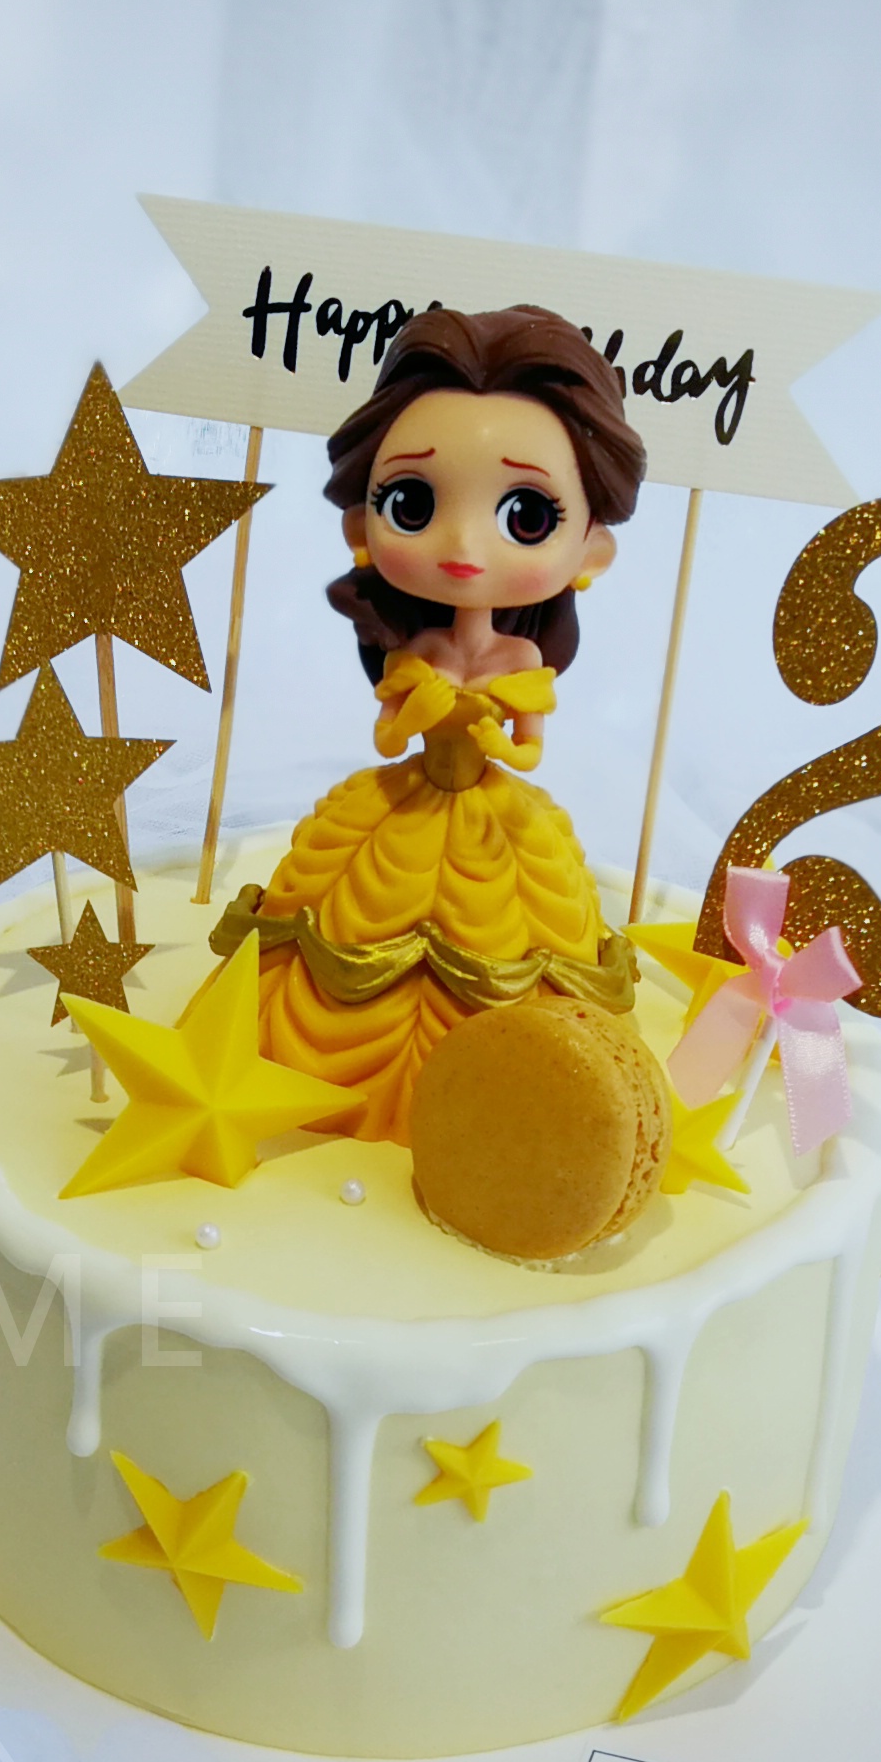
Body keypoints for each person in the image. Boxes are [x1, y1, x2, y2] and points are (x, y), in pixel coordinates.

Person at [209, 306, 648, 1140]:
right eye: (412, 502)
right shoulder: (415, 649)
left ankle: (498, 1121)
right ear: (360, 525)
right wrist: (424, 708)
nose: (463, 546)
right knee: (333, 928)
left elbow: (527, 751)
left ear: (591, 550)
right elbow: (386, 739)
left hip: (492, 826)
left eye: (525, 515)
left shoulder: (521, 660)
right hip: (400, 810)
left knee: (528, 949)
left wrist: (486, 734)